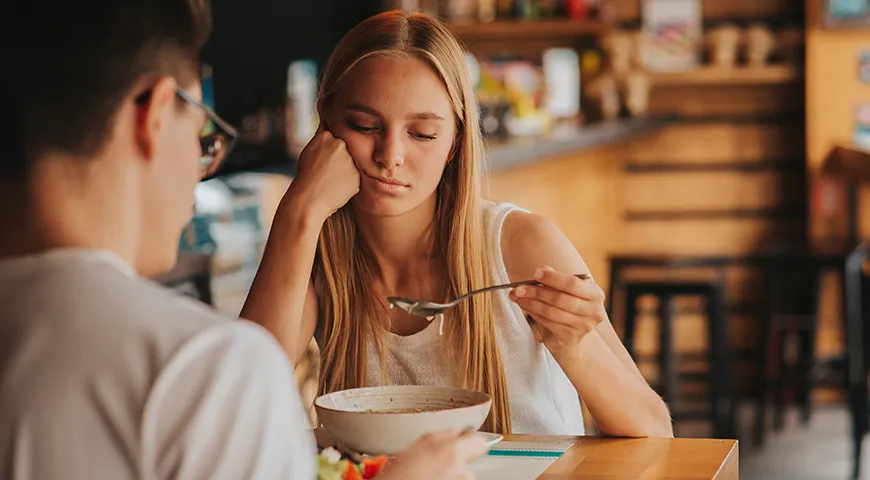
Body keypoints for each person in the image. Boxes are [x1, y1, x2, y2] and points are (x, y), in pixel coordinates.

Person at [0, 1, 486, 478]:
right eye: (202, 131)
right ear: (155, 112)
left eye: (421, 133)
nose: (390, 156)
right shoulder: (203, 368)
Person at [243, 10, 674, 438]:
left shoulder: (521, 245)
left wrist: (575, 347)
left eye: (422, 134)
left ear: (454, 142)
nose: (390, 154)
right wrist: (297, 210)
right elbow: (240, 402)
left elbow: (655, 432)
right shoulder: (315, 256)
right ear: (326, 124)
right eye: (365, 125)